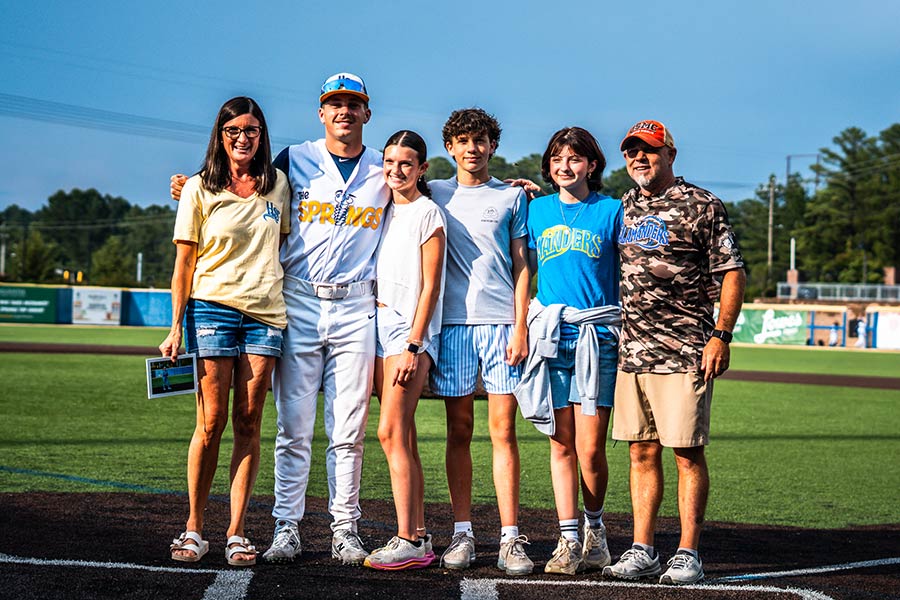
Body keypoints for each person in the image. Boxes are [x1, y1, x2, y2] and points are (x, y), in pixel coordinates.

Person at [171, 73, 389, 565]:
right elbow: (231, 175)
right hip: (298, 300)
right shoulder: (294, 161)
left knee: (348, 427)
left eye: (353, 104)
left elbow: (433, 190)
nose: (344, 112)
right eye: (335, 103)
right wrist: (186, 185)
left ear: (367, 113)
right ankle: (286, 526)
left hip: (355, 305)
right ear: (321, 111)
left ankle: (345, 528)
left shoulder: (384, 168)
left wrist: (508, 187)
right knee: (291, 425)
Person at [603, 120, 746, 585]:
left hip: (685, 347)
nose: (639, 159)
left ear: (670, 153)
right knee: (640, 452)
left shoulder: (702, 204)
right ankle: (643, 548)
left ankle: (688, 552)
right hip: (633, 349)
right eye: (631, 152)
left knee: (685, 452)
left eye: (648, 151)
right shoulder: (623, 205)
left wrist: (721, 334)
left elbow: (732, 271)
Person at [161, 96, 290, 567]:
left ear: (262, 136)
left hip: (266, 316)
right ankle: (195, 526)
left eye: (251, 130)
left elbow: (286, 245)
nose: (242, 138)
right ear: (220, 135)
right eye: (233, 130)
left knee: (249, 423)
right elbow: (184, 265)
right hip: (211, 310)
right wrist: (175, 328)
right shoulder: (198, 187)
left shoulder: (279, 186)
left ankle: (236, 530)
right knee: (211, 422)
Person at [429, 108, 534, 575]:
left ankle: (511, 538)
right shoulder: (433, 193)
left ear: (493, 146)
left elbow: (522, 266)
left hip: (500, 326)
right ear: (450, 147)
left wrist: (521, 325)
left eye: (482, 140)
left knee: (504, 432)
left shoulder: (512, 198)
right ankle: (463, 533)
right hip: (451, 326)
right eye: (464, 141)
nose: (473, 149)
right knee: (459, 431)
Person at [515, 127, 621, 575]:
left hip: (598, 338)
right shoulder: (537, 210)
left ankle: (595, 531)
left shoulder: (613, 211)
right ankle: (568, 538)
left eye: (575, 159)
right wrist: (520, 327)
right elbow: (523, 268)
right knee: (560, 445)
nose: (565, 166)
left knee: (591, 448)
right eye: (558, 158)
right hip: (552, 337)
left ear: (592, 165)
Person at [363, 130, 446, 571]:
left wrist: (415, 343)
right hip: (374, 324)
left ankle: (407, 539)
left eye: (406, 164)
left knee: (390, 431)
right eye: (389, 162)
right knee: (405, 433)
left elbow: (431, 284)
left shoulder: (428, 212)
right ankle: (419, 533)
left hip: (407, 331)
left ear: (422, 169)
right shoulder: (382, 206)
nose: (396, 171)